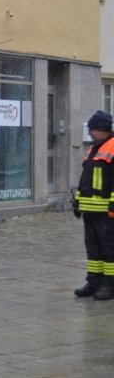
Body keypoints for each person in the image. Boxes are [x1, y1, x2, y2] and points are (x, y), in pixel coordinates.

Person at [73, 110, 114, 300]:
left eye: (92, 129)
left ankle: (109, 284)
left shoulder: (112, 147)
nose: (89, 132)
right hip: (90, 210)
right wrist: (77, 201)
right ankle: (93, 281)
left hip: (106, 211)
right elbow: (85, 180)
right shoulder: (93, 148)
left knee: (108, 250)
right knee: (93, 249)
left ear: (102, 129)